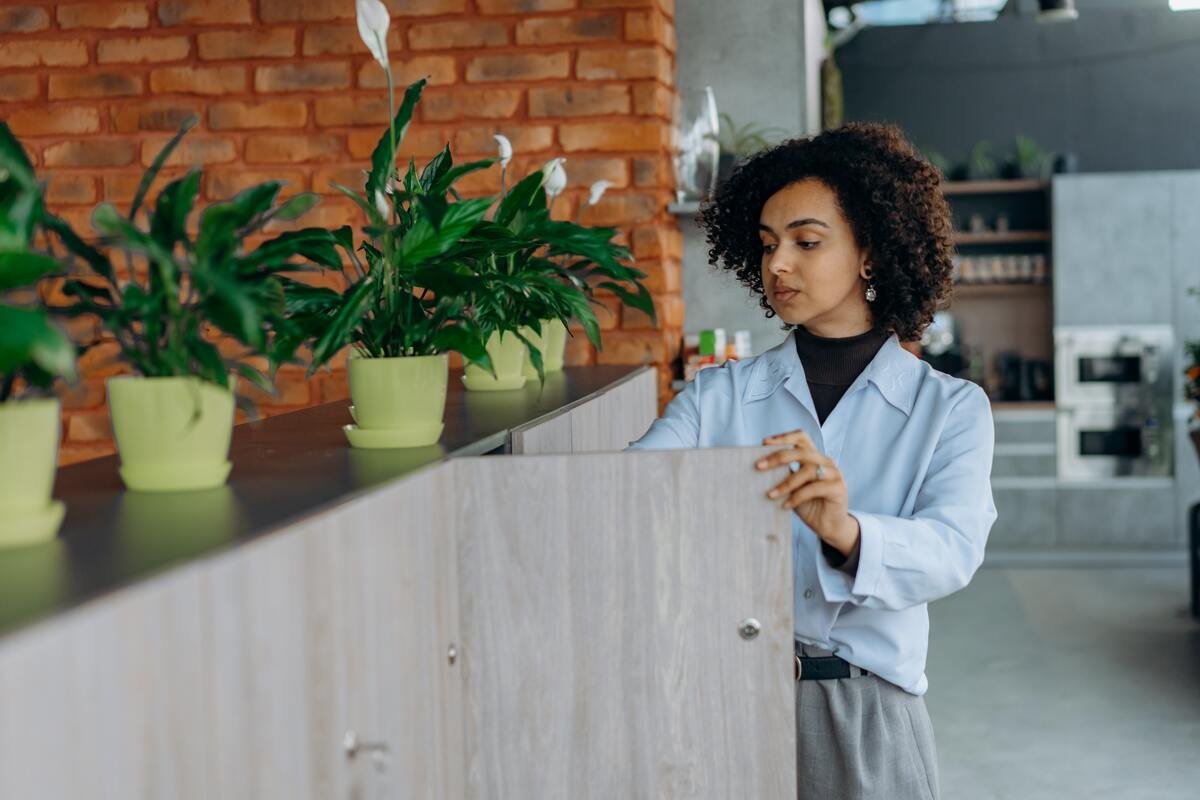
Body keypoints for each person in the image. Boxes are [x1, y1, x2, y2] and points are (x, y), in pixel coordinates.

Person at [627, 122, 997, 799]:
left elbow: (953, 549)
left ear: (870, 254)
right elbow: (628, 494)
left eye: (806, 241)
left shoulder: (950, 408)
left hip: (869, 713)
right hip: (731, 702)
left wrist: (846, 531)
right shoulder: (719, 395)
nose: (778, 266)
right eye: (768, 245)